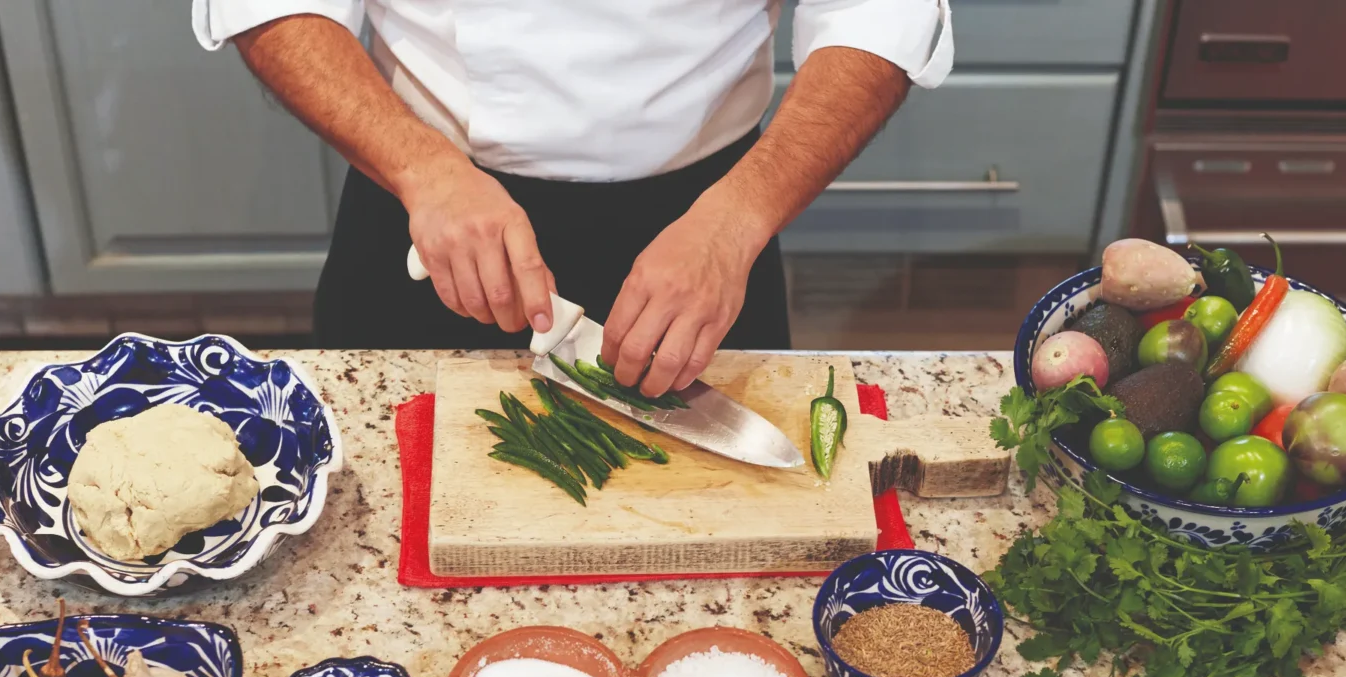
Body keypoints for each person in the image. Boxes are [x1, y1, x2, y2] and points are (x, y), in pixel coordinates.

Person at [193, 0, 951, 395]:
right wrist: (420, 167)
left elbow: (875, 16)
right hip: (430, 214)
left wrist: (739, 217)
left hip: (706, 227)